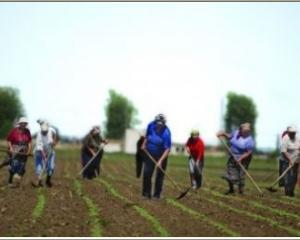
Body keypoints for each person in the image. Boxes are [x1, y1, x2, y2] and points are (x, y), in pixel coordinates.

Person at [217, 122, 255, 194]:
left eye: (242, 131)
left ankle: (241, 191)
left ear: (247, 132)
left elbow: (248, 152)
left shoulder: (249, 140)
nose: (240, 132)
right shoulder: (237, 132)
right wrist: (223, 134)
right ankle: (231, 189)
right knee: (230, 173)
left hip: (244, 158)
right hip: (232, 155)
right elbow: (230, 136)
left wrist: (240, 158)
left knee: (241, 174)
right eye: (240, 130)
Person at [141, 113, 172, 200]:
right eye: (157, 123)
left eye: (160, 124)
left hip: (162, 155)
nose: (158, 125)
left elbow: (167, 149)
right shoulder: (151, 125)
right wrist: (144, 144)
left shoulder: (166, 133)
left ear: (164, 124)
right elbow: (147, 135)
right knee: (147, 172)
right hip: (150, 153)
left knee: (159, 175)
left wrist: (160, 161)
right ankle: (146, 194)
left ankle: (156, 195)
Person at [6, 117, 32, 187]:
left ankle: (17, 180)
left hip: (24, 152)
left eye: (24, 123)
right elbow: (9, 140)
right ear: (19, 124)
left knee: (22, 166)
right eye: (22, 123)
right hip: (15, 150)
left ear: (26, 124)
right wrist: (11, 148)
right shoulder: (14, 131)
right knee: (14, 164)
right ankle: (11, 180)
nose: (23, 125)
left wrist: (29, 150)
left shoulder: (27, 131)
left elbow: (29, 142)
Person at [32, 121, 57, 187]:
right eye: (43, 132)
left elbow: (55, 134)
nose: (44, 132)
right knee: (39, 168)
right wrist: (44, 157)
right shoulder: (39, 135)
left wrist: (54, 141)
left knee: (51, 167)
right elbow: (40, 147)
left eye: (46, 131)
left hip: (50, 151)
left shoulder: (51, 130)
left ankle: (48, 181)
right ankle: (39, 181)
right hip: (40, 152)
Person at [279, 125, 300, 197]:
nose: (292, 134)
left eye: (294, 133)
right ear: (288, 133)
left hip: (296, 161)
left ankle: (291, 191)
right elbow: (283, 152)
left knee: (294, 177)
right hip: (286, 160)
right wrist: (290, 160)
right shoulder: (285, 139)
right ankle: (287, 191)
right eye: (291, 133)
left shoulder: (298, 139)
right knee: (287, 177)